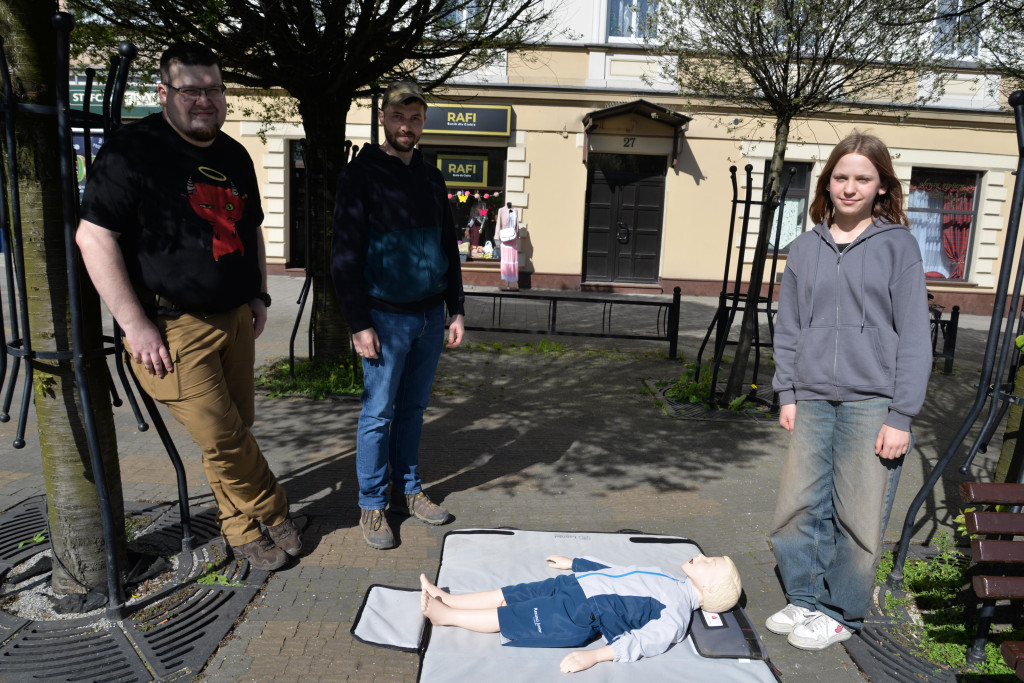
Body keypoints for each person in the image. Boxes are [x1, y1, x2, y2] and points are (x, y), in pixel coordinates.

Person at [76, 42, 304, 571]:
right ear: (163, 93)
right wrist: (134, 324)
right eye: (191, 89)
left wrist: (259, 292)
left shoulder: (233, 154)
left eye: (214, 89)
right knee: (223, 437)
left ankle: (242, 531)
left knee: (233, 432)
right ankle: (275, 511)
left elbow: (250, 229)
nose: (205, 99)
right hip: (171, 329)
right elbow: (94, 238)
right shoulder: (132, 151)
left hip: (235, 319)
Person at [767, 133, 932, 650]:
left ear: (881, 187)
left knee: (858, 512)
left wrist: (902, 415)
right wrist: (787, 391)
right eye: (842, 177)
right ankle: (805, 597)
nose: (850, 187)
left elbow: (914, 333)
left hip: (873, 402)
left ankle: (842, 611)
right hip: (812, 396)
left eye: (863, 178)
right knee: (798, 506)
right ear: (828, 182)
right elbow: (788, 325)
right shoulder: (805, 247)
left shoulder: (897, 245)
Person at [331, 81, 466, 550]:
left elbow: (447, 244)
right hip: (384, 319)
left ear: (422, 122)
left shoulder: (431, 177)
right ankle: (372, 504)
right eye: (398, 117)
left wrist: (456, 308)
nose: (406, 126)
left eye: (415, 118)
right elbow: (344, 256)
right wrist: (358, 322)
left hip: (430, 316)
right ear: (384, 119)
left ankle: (409, 491)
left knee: (412, 411)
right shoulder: (361, 175)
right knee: (378, 414)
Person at [420, 553, 742, 674]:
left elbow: (642, 643)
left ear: (710, 590)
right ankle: (453, 600)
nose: (702, 556)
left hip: (579, 612)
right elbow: (619, 571)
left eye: (709, 563)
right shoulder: (667, 577)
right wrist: (576, 564)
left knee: (516, 615)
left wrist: (594, 657)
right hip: (577, 584)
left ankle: (447, 616)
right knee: (516, 593)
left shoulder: (675, 616)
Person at [497, 202, 519, 291]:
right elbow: (498, 223)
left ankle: (512, 282)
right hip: (505, 238)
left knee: (513, 259)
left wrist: (518, 234)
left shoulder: (515, 211)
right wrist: (496, 236)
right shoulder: (501, 210)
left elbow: (517, 224)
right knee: (506, 260)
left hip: (513, 237)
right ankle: (506, 282)